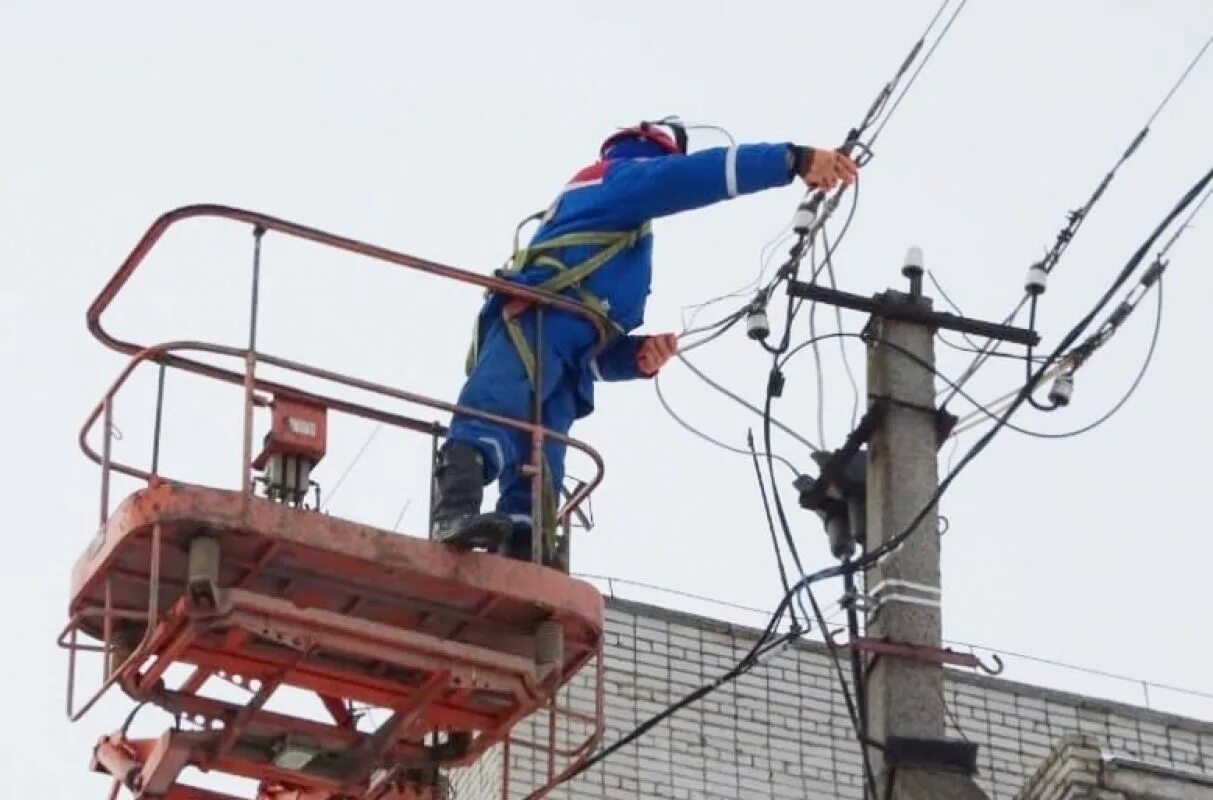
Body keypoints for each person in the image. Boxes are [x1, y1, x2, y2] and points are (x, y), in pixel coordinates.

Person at [430, 118, 858, 563]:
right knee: (493, 410)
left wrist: (635, 356)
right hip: (534, 320)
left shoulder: (629, 235)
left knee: (541, 460)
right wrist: (792, 160)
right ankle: (455, 511)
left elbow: (596, 353)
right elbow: (690, 179)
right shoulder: (616, 178)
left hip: (566, 354)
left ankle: (524, 546)